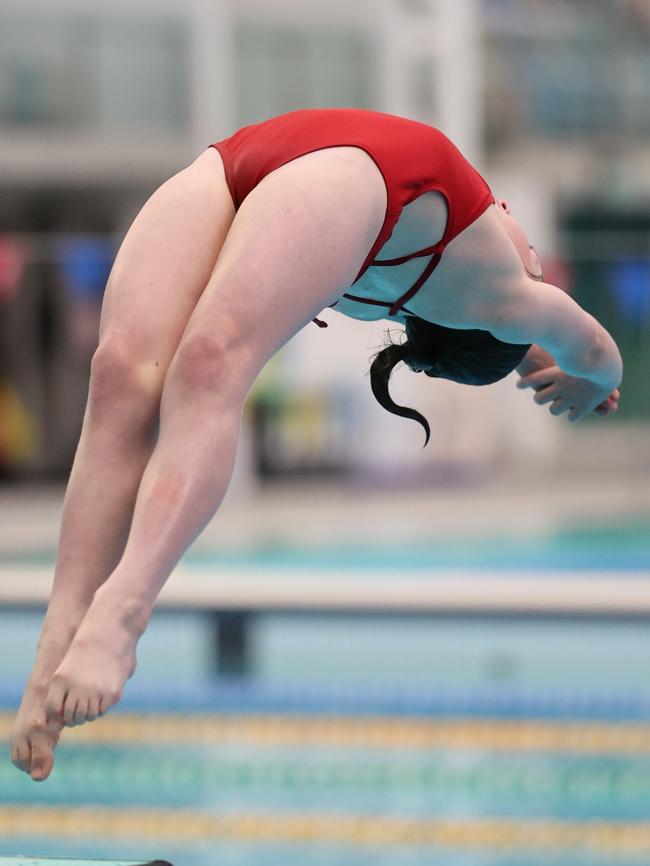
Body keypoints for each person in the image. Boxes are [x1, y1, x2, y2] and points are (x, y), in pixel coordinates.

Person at [10, 108, 622, 782]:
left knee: (206, 366)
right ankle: (60, 628)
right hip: (249, 162)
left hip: (328, 176)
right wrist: (564, 370)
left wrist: (598, 379)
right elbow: (538, 347)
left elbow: (594, 346)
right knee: (120, 377)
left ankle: (121, 612)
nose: (530, 252)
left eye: (532, 268)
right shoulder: (470, 301)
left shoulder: (505, 294)